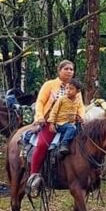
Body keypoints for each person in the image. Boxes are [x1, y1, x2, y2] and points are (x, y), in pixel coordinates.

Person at [26, 60, 85, 195]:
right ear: (59, 70)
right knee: (42, 144)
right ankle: (34, 175)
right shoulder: (49, 85)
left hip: (71, 123)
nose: (69, 71)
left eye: (71, 69)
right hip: (51, 122)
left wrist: (81, 116)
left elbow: (81, 105)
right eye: (66, 69)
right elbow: (40, 102)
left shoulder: (76, 88)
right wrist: (40, 116)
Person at [47, 78, 84, 156]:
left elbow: (80, 110)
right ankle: (64, 143)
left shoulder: (78, 100)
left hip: (72, 122)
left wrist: (80, 117)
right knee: (71, 128)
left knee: (82, 131)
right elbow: (54, 111)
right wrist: (52, 123)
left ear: (78, 91)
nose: (68, 91)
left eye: (71, 89)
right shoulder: (62, 99)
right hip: (61, 123)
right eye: (66, 88)